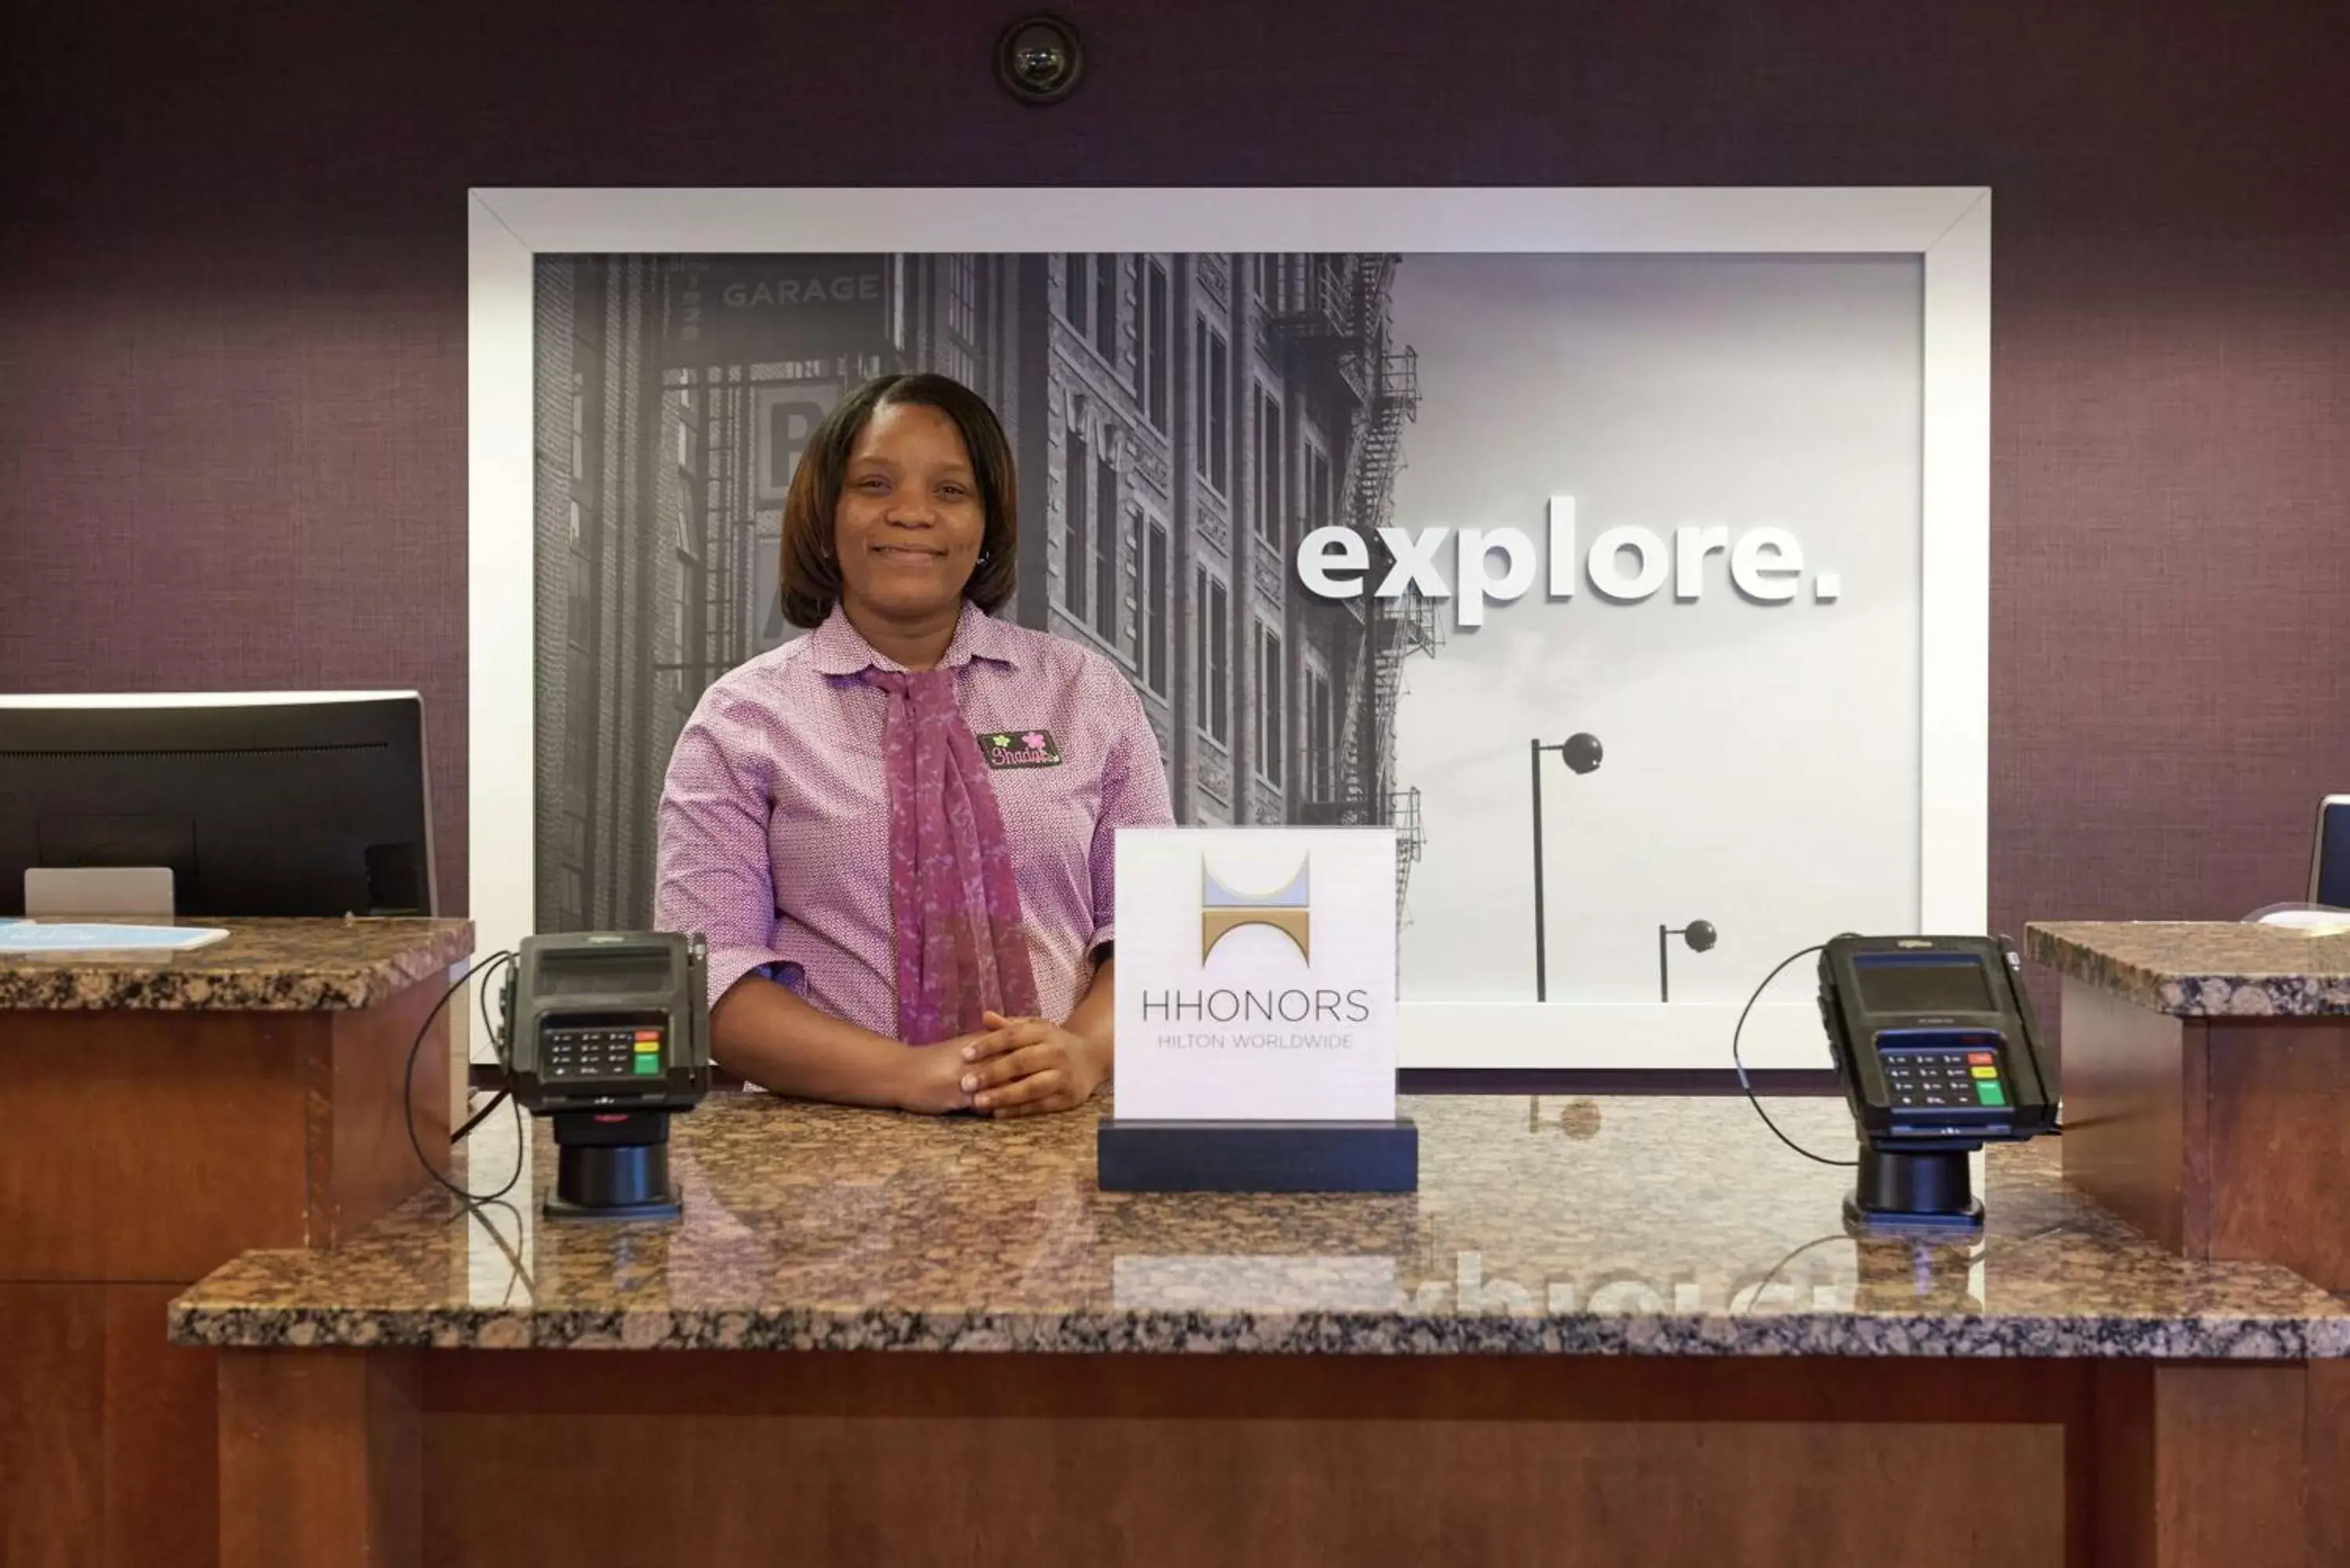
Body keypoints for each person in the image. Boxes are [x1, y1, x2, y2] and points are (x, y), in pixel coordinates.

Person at [655, 372, 1173, 1118]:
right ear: (826, 517)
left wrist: (1085, 1053)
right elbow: (712, 978)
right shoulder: (743, 719)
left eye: (951, 491)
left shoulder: (1084, 693)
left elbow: (1152, 927)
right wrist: (913, 1077)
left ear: (988, 525)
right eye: (874, 483)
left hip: (1061, 1135)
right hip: (826, 1149)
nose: (911, 514)